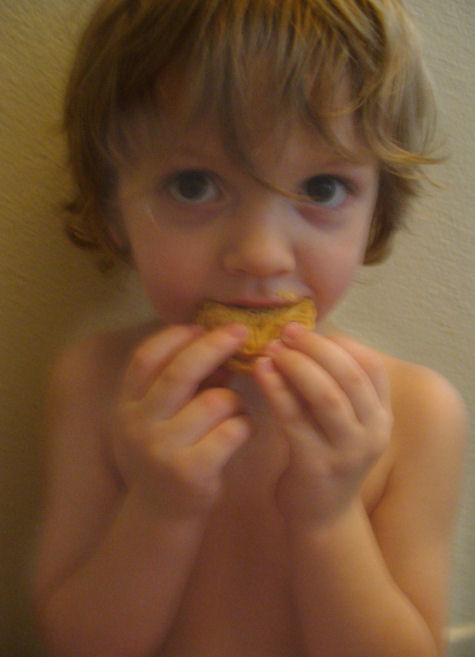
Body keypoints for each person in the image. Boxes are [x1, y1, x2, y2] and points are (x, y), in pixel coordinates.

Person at [33, 1, 467, 656]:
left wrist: (327, 516)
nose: (262, 255)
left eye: (321, 188)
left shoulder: (415, 414)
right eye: (193, 183)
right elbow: (74, 641)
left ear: (378, 209)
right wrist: (158, 508)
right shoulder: (97, 384)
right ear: (113, 206)